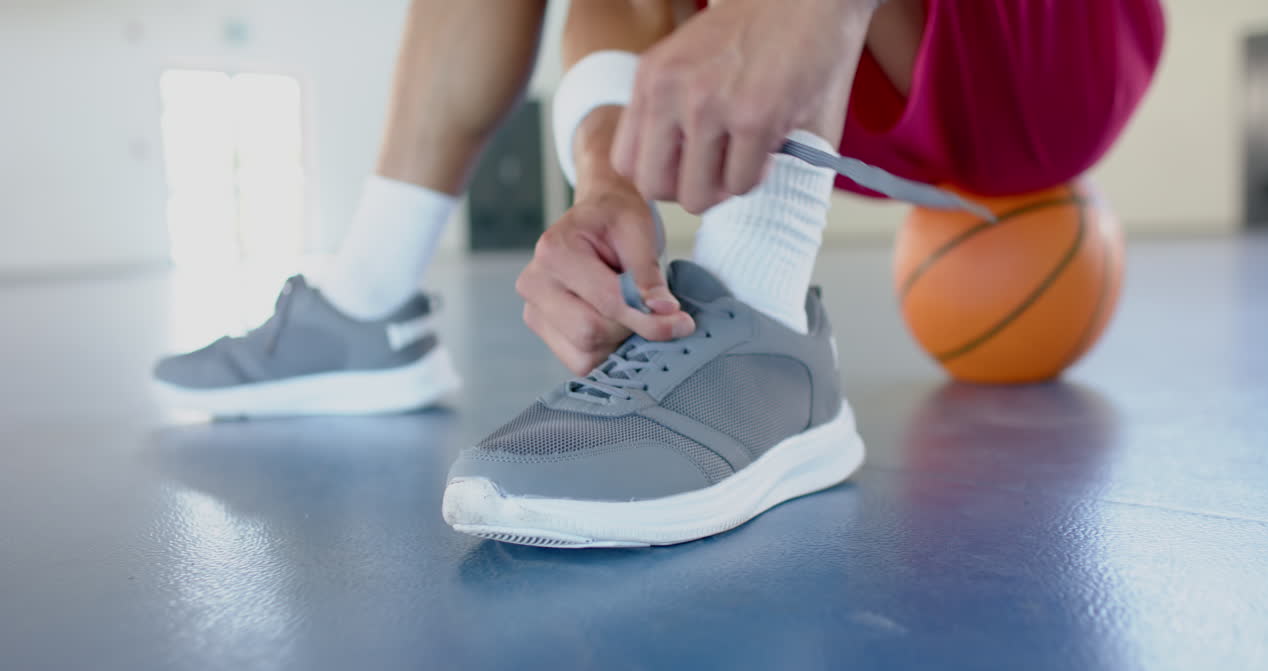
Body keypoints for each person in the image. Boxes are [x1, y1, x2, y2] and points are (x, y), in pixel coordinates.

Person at [156, 0, 1165, 546]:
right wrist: (605, 172)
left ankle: (764, 327)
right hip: (859, 85)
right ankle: (364, 299)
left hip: (1046, 50)